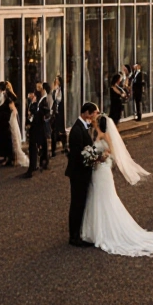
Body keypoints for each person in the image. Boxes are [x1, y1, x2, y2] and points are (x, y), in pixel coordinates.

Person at [81, 107, 153, 256]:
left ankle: (105, 230)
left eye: (96, 121)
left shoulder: (105, 136)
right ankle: (94, 229)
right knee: (95, 196)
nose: (94, 122)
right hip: (96, 170)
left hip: (103, 169)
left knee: (105, 197)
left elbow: (111, 152)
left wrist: (101, 156)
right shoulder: (95, 134)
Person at [67, 102, 99, 247]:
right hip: (78, 174)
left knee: (80, 203)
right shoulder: (77, 130)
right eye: (94, 113)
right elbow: (77, 155)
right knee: (77, 204)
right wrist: (91, 159)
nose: (95, 116)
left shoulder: (82, 128)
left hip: (81, 172)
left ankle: (77, 232)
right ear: (87, 113)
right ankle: (74, 236)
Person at [0, 82, 29, 167]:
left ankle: (11, 158)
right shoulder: (3, 96)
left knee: (12, 139)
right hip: (3, 122)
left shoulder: (7, 97)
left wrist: (10, 119)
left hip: (7, 122)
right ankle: (10, 158)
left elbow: (14, 110)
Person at [25, 84, 51, 177]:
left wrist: (32, 116)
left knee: (36, 146)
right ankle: (39, 163)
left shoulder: (42, 100)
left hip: (37, 127)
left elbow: (42, 113)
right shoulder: (37, 101)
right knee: (38, 145)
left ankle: (34, 167)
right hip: (36, 126)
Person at [49, 76, 67, 156]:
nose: (56, 81)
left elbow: (60, 100)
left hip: (60, 112)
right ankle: (53, 150)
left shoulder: (62, 89)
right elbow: (53, 99)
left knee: (61, 130)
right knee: (54, 130)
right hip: (55, 112)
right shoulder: (55, 89)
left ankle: (64, 146)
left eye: (57, 80)